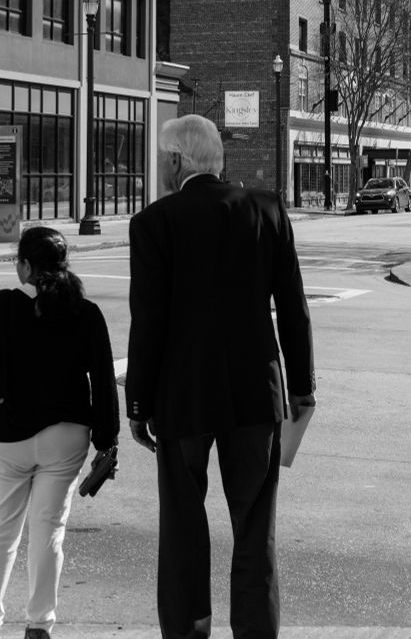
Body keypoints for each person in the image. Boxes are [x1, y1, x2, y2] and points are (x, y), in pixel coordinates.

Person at [125, 115, 316, 639]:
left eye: (162, 159)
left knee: (183, 524)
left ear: (175, 161)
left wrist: (138, 405)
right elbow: (293, 309)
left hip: (182, 397)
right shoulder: (267, 209)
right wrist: (303, 387)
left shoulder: (154, 223)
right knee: (256, 526)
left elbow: (149, 323)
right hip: (257, 393)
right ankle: (255, 631)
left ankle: (190, 626)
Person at [0, 225, 119, 639]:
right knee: (48, 531)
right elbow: (104, 383)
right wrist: (107, 441)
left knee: (1, 530)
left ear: (25, 267)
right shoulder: (85, 312)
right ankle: (40, 626)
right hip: (68, 434)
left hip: (10, 433)